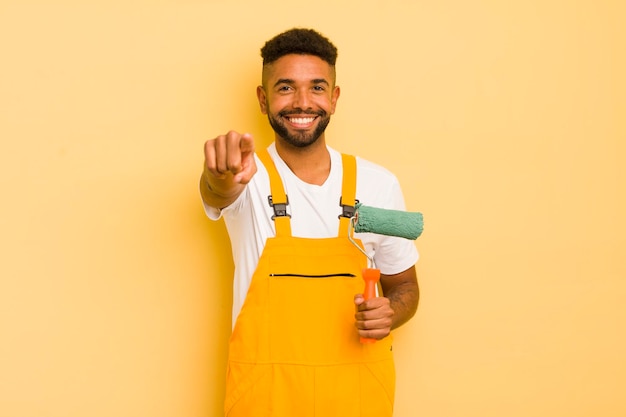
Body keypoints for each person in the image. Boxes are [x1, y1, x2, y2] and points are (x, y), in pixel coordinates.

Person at [200, 28, 419, 417]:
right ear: (263, 99)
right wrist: (219, 176)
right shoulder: (246, 177)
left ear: (334, 98)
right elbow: (217, 190)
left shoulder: (380, 183)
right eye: (285, 88)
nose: (302, 102)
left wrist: (390, 311)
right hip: (265, 397)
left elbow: (405, 288)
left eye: (317, 88)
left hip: (358, 396)